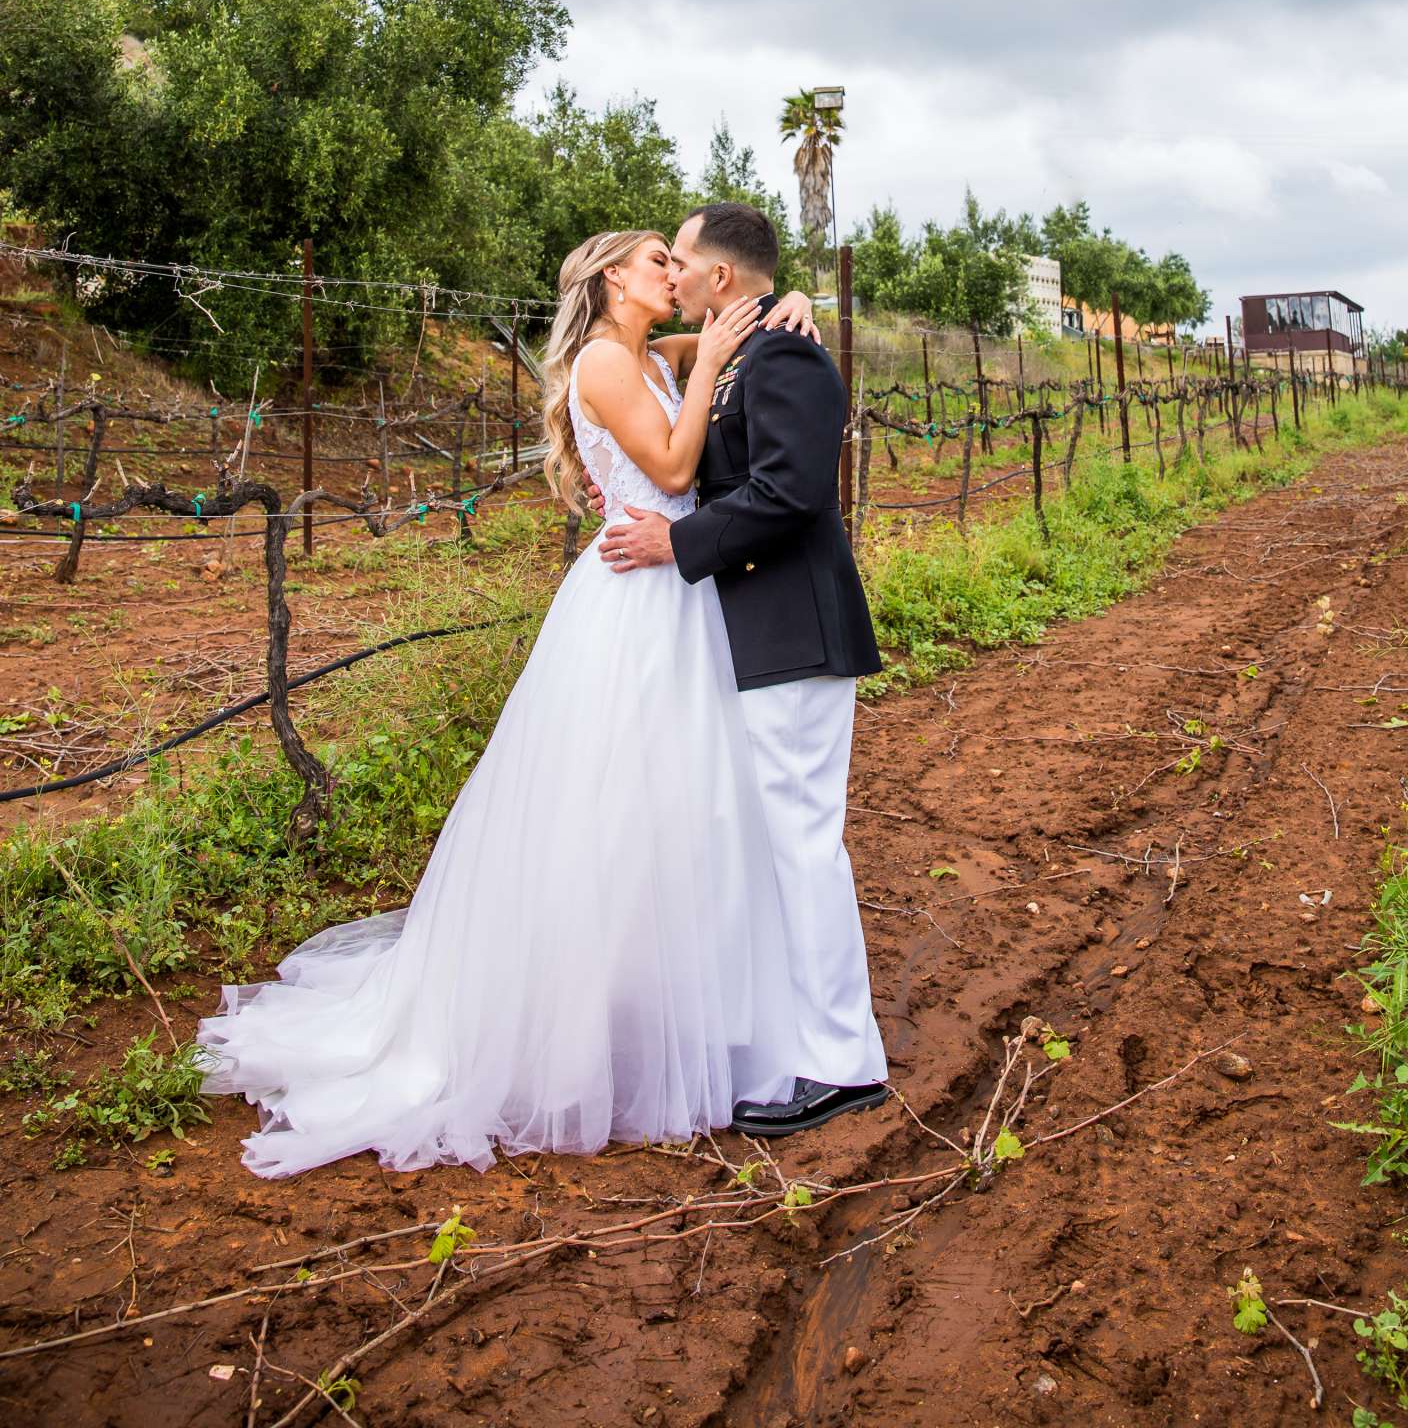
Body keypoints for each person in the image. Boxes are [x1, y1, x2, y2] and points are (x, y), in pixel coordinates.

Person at [195, 230, 817, 1173]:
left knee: (675, 810)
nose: (674, 275)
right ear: (614, 280)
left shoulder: (652, 351)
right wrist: (711, 368)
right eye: (657, 261)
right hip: (635, 602)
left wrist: (792, 310)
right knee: (606, 811)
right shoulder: (610, 362)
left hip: (680, 599)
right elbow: (678, 472)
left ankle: (671, 1001)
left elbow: (744, 322)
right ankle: (578, 1027)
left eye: (679, 263)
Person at [600, 201, 889, 1137]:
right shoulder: (749, 344)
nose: (673, 272)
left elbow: (791, 494)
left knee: (803, 845)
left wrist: (678, 542)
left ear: (718, 277)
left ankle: (844, 1065)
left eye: (679, 259)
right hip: (752, 635)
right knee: (771, 845)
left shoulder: (789, 355)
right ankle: (792, 1034)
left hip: (794, 635)